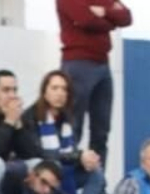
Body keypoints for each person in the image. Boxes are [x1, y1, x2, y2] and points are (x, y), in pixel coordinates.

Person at [58, 0, 131, 165]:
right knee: (72, 127)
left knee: (101, 129)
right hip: (77, 63)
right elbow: (86, 20)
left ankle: (97, 177)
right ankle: (68, 174)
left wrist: (103, 12)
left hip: (103, 65)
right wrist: (111, 20)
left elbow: (126, 17)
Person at [24, 70, 102, 194]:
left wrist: (86, 159)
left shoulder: (68, 119)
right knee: (60, 167)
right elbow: (41, 154)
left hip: (64, 170)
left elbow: (71, 152)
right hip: (39, 170)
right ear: (44, 92)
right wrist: (78, 156)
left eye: (64, 89)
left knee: (95, 171)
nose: (60, 93)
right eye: (54, 88)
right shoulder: (30, 117)